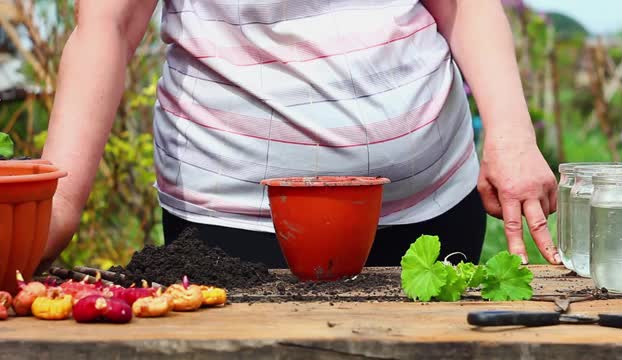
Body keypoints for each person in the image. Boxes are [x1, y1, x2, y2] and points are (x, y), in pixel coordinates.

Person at [38, 0, 559, 271]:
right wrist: (55, 205)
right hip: (230, 218)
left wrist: (512, 134)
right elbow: (108, 23)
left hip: (425, 205)